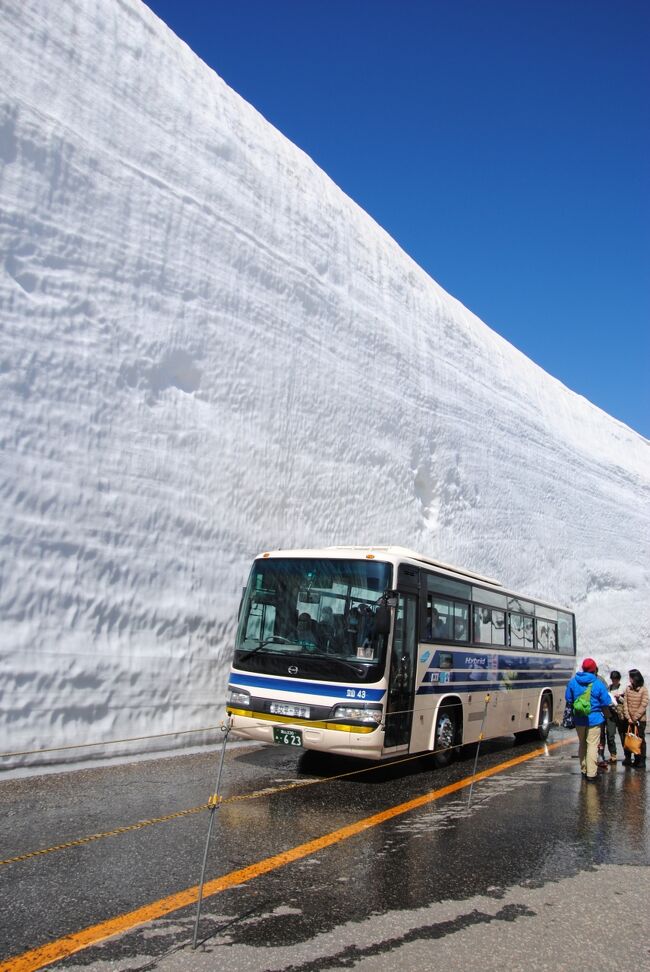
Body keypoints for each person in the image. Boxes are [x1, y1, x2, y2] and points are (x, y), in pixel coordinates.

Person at [565, 658, 613, 782]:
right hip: (595, 719)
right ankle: (591, 774)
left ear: (583, 668)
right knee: (592, 745)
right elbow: (606, 701)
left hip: (579, 718)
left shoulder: (573, 682)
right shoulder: (597, 683)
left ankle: (584, 769)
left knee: (582, 743)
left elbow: (568, 698)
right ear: (594, 669)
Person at [622, 669, 648, 769]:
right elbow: (625, 704)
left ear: (635, 678)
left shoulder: (643, 690)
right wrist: (628, 717)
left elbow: (644, 704)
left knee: (640, 740)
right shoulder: (628, 689)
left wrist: (635, 717)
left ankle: (642, 760)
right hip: (629, 719)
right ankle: (635, 759)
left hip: (640, 720)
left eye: (630, 677)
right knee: (632, 739)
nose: (629, 679)